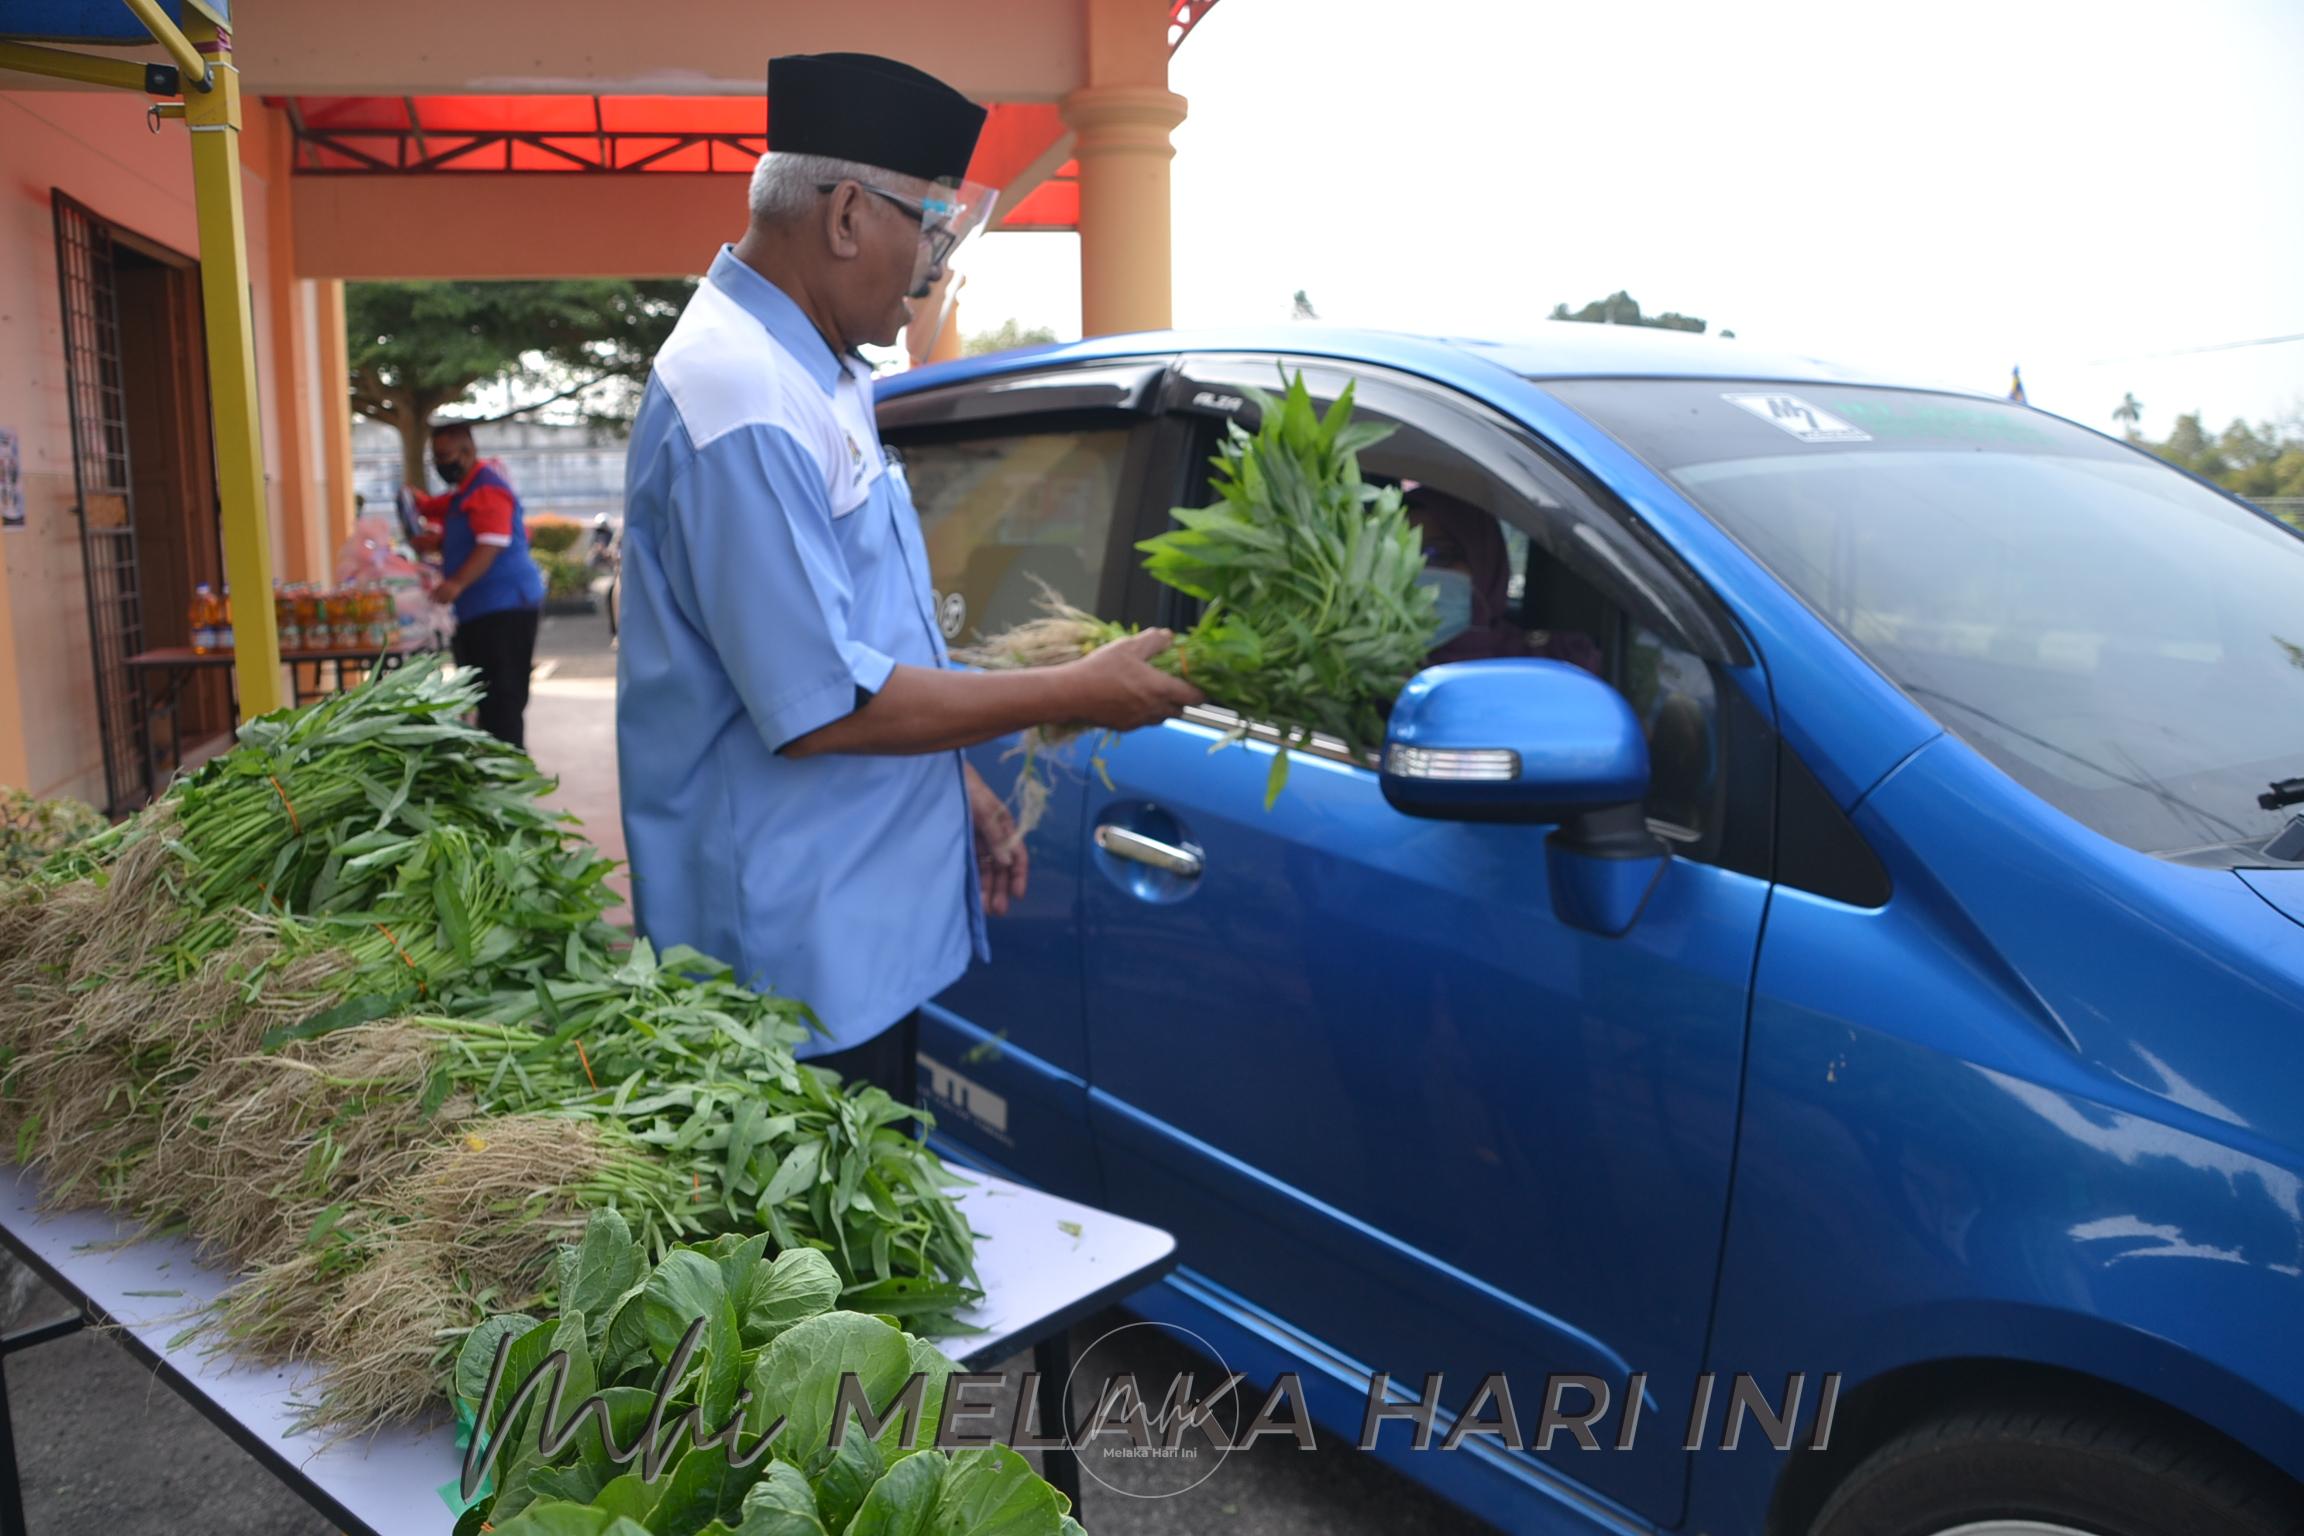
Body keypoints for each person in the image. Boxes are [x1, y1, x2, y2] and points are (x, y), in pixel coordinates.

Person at [615, 52, 1201, 1114]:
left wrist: (959, 785)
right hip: (788, 971)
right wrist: (1079, 688)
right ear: (845, 215)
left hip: (855, 934)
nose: (931, 266)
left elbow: (856, 630)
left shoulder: (817, 367)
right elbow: (824, 705)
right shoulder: (739, 396)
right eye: (926, 229)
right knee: (816, 1266)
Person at [409, 422, 548, 746]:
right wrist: (439, 543)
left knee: (502, 696)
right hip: (481, 610)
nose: (441, 464)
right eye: (436, 457)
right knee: (485, 693)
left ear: (468, 452)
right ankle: (497, 765)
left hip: (504, 608)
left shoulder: (486, 490)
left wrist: (456, 583)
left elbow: (491, 543)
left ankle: (510, 773)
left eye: (445, 456)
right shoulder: (466, 491)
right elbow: (466, 535)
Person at [1406, 485, 1604, 675]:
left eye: (1437, 555)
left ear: (1485, 563)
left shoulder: (1555, 663)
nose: (1420, 572)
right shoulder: (1383, 667)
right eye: (1402, 559)